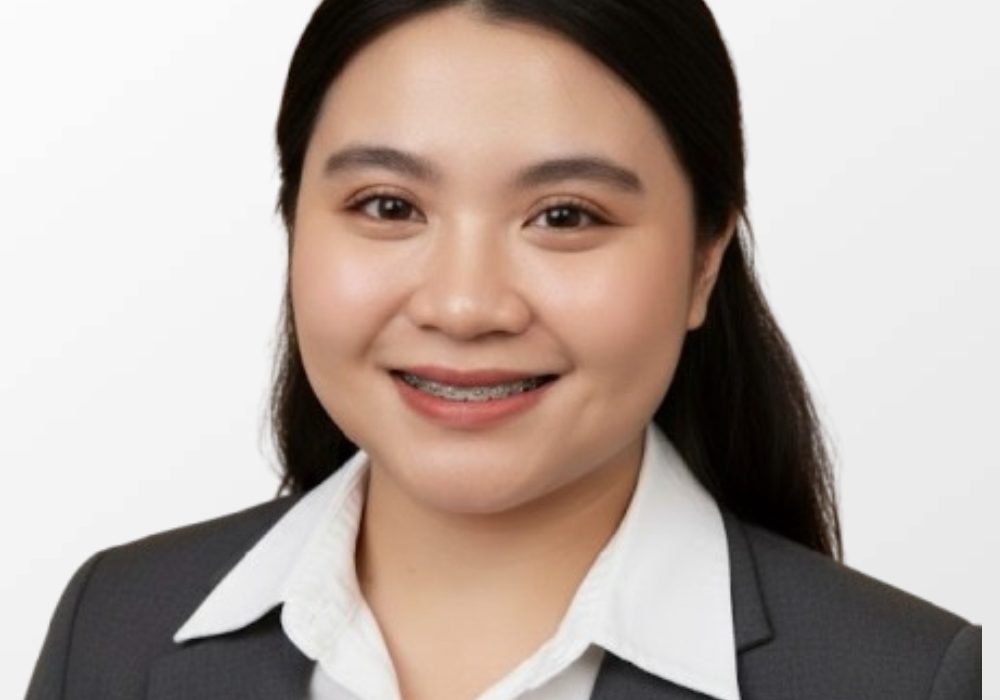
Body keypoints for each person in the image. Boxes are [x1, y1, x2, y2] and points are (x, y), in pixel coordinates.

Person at [26, 1, 982, 698]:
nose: (464, 305)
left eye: (565, 216)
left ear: (704, 263)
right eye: (388, 206)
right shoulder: (115, 630)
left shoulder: (902, 679)